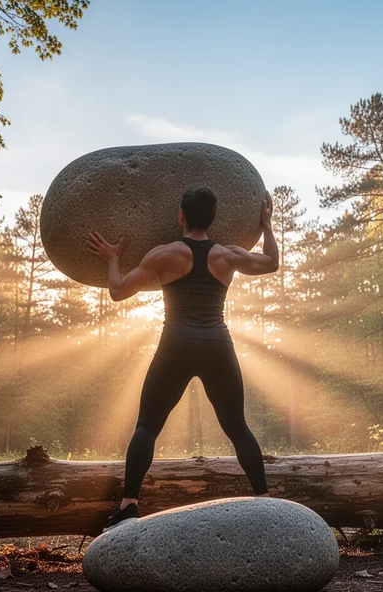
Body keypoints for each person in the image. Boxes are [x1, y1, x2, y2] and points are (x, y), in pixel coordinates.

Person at [86, 187, 279, 531]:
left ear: (181, 216)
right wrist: (266, 225)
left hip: (175, 346)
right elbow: (271, 263)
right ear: (213, 219)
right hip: (217, 346)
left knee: (147, 427)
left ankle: (129, 505)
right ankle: (264, 502)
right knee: (238, 427)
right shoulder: (227, 255)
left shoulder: (165, 254)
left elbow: (117, 291)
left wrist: (113, 257)